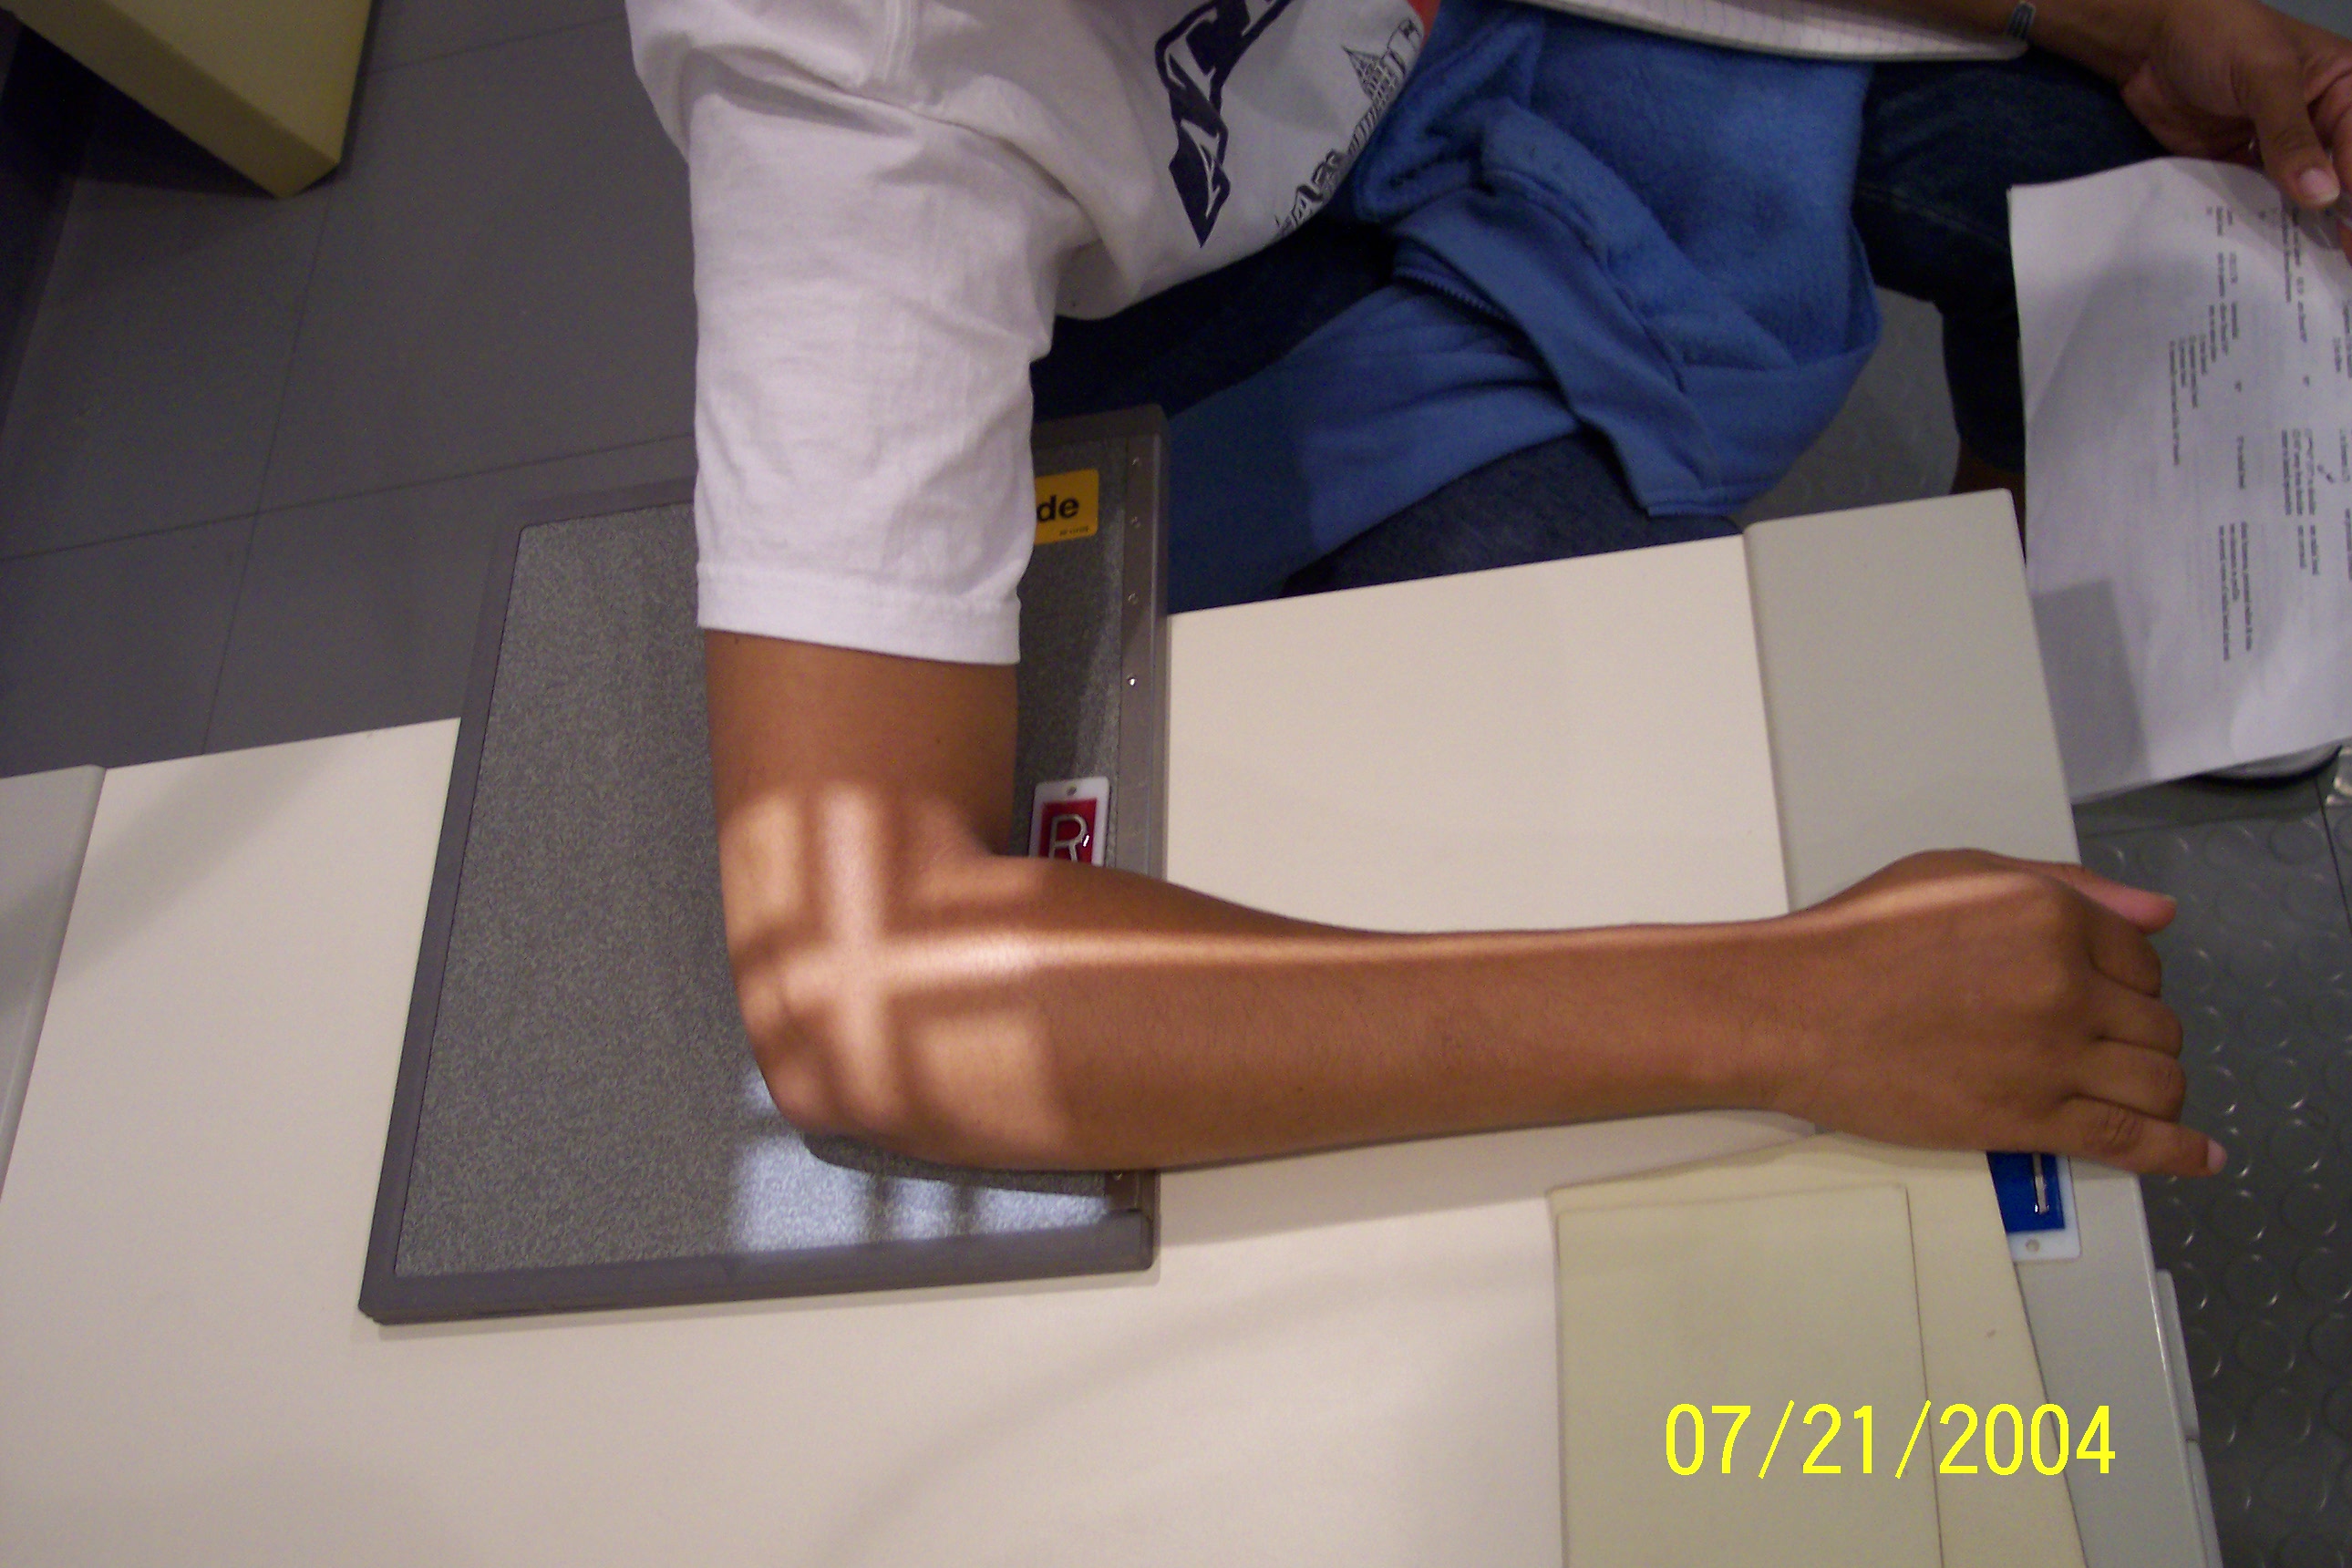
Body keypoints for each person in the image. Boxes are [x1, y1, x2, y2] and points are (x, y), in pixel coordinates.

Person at [623, 0, 2352, 1178]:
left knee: (2153, 169)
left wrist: (2127, 21)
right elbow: (867, 990)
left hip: (1464, 54)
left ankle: (2077, 667)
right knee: (1574, 856)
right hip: (1208, 292)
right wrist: (1792, 1010)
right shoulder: (851, 87)